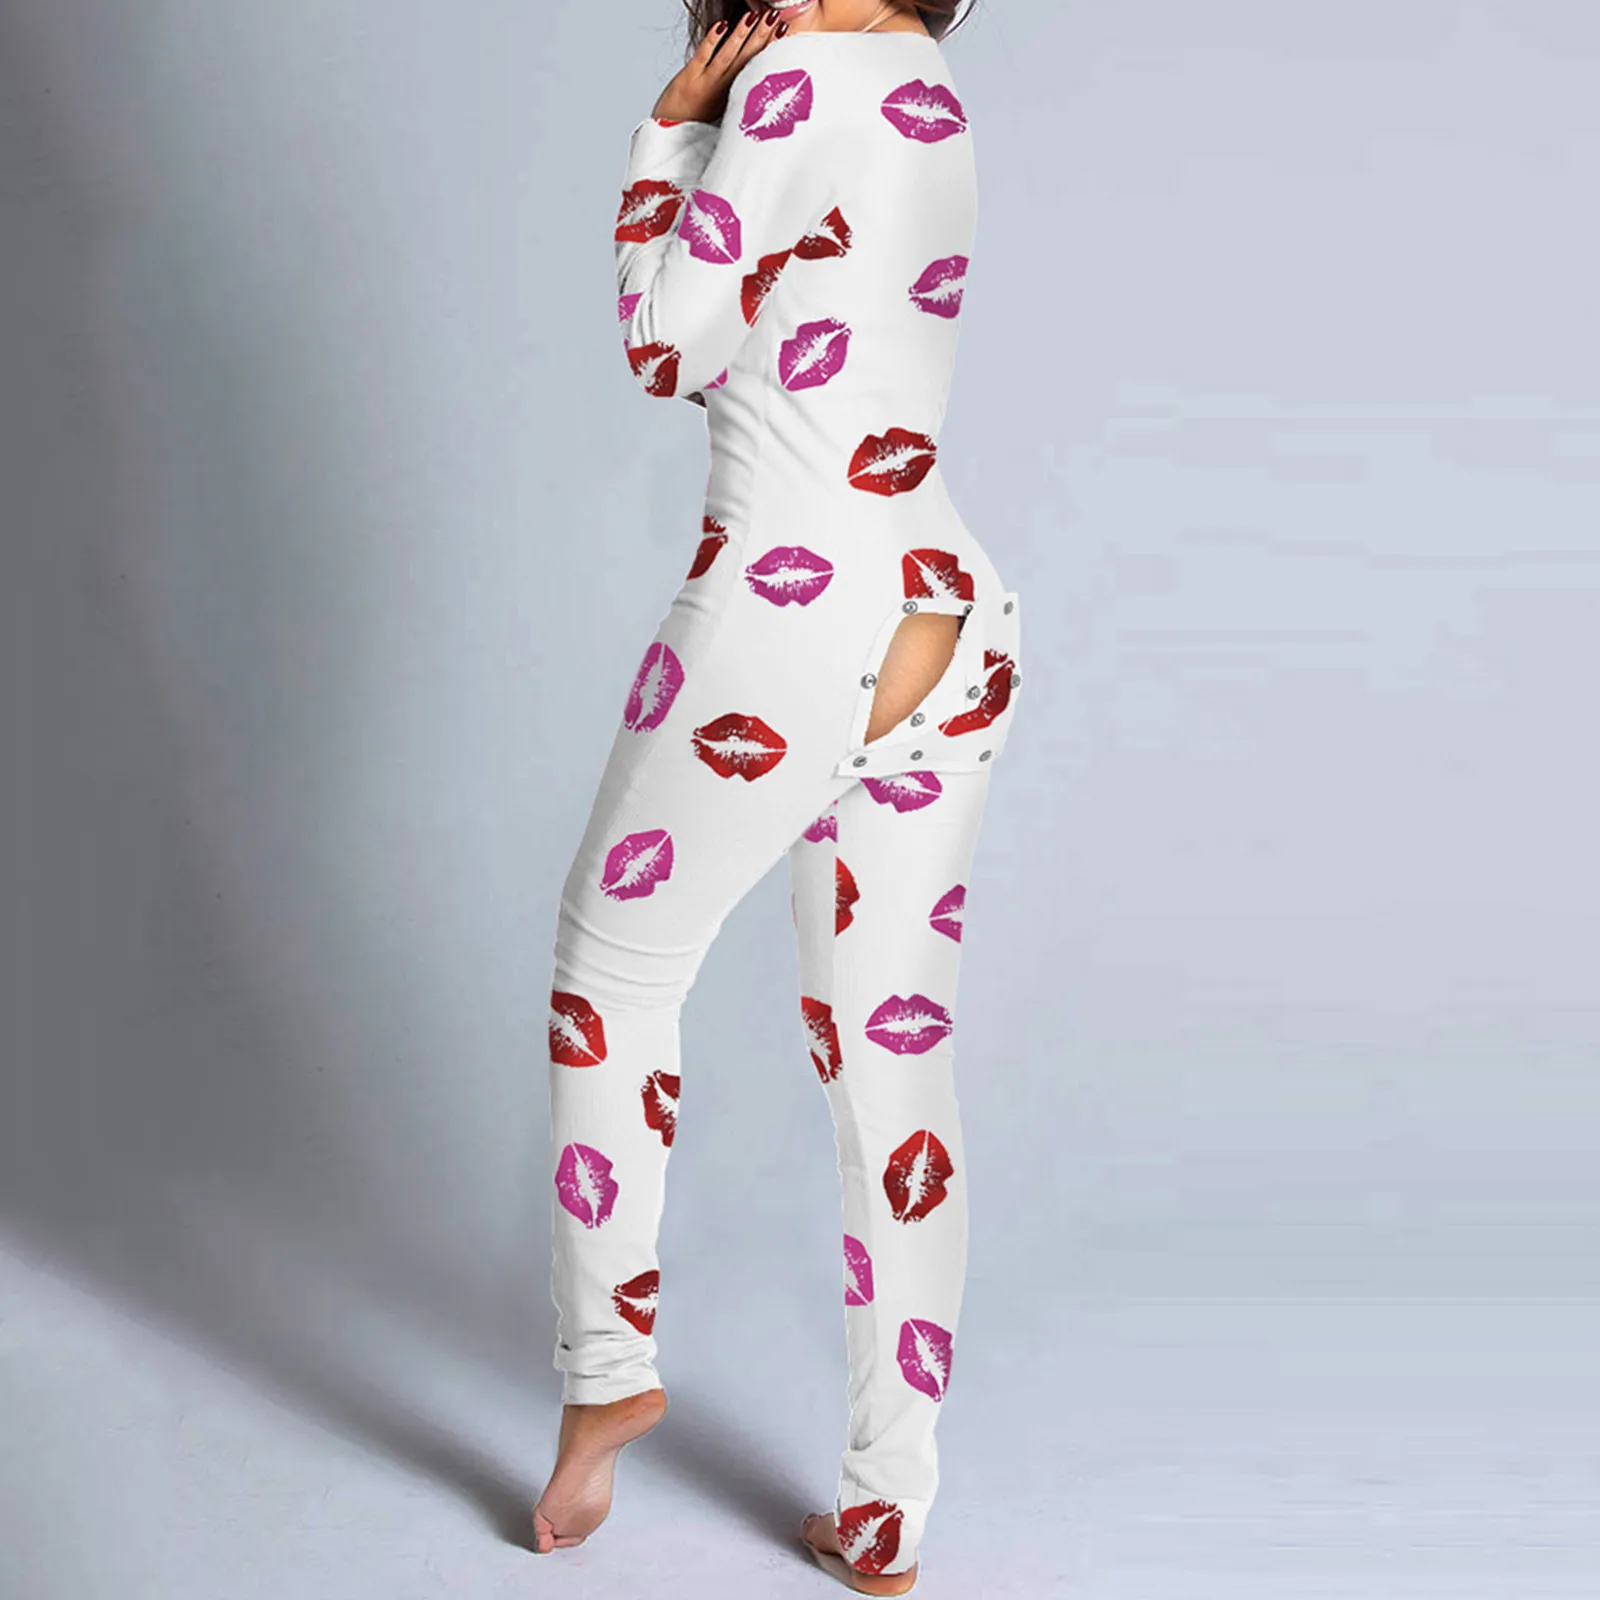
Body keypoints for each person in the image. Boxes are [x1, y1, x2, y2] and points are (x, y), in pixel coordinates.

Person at [533, 0, 1020, 1590]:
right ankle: (886, 1514)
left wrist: (670, 126)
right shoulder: (928, 82)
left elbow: (665, 346)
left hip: (789, 616)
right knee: (893, 1065)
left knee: (610, 979)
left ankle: (607, 1374)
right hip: (952, 613)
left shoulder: (796, 76)